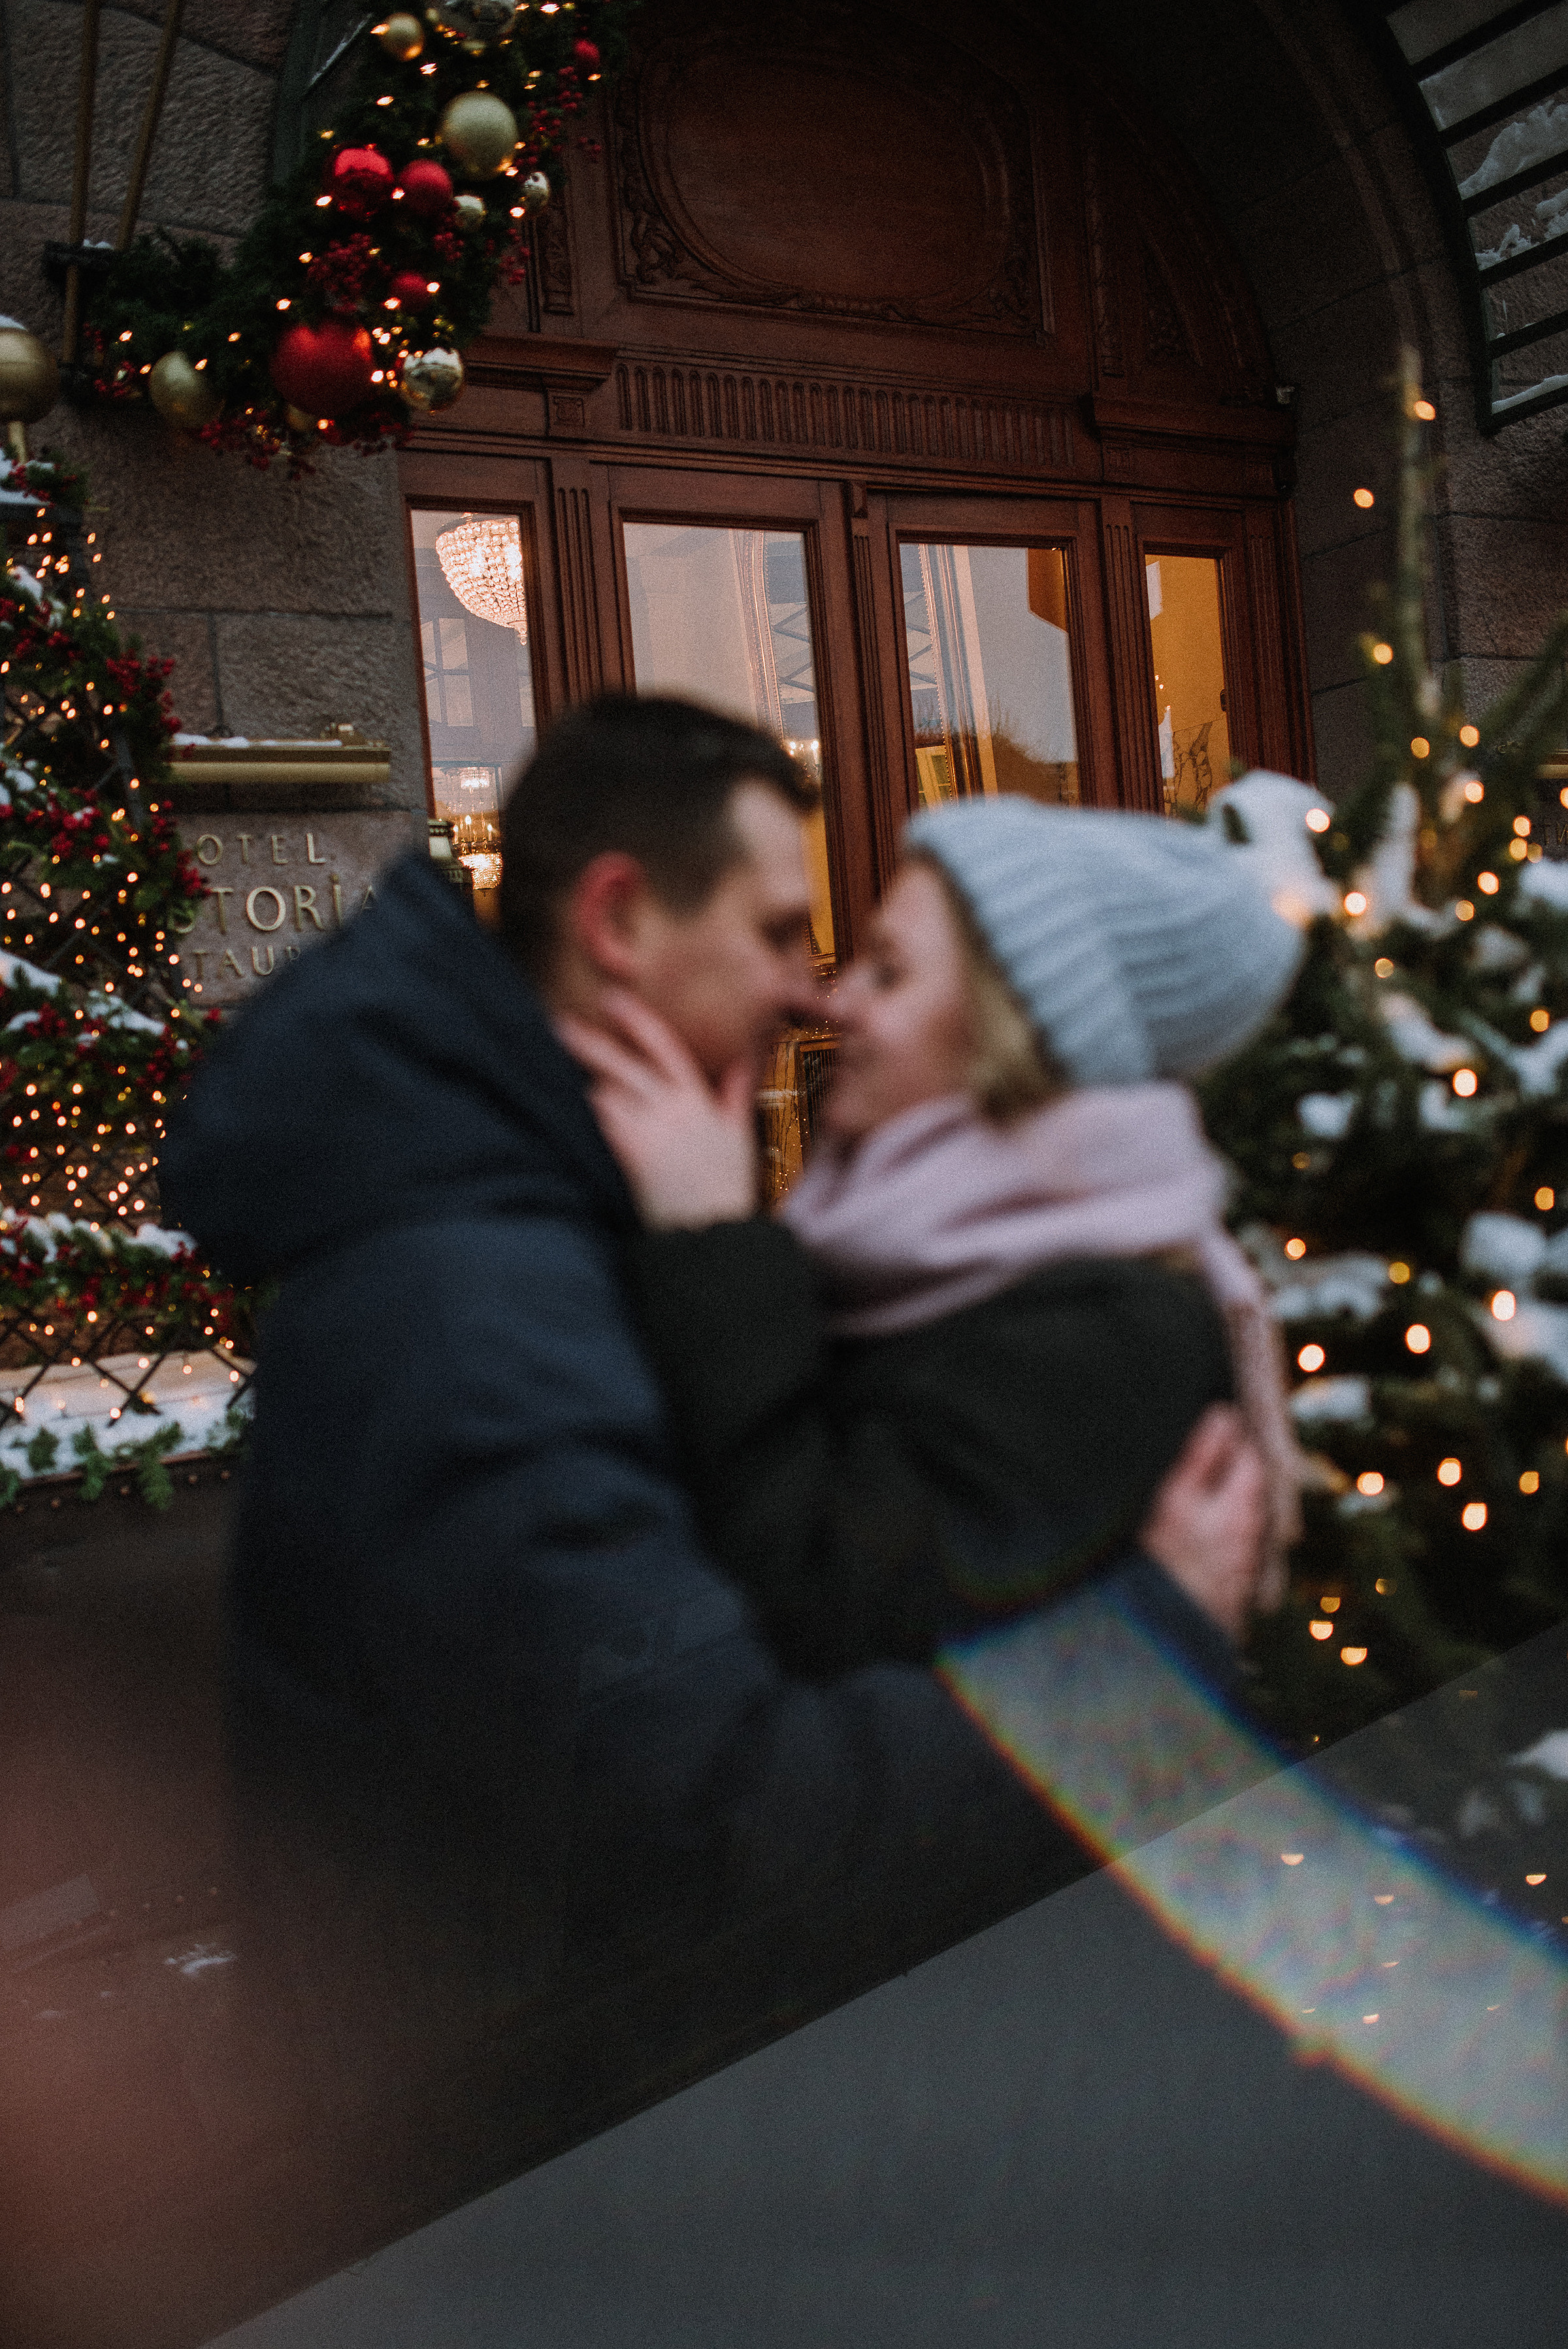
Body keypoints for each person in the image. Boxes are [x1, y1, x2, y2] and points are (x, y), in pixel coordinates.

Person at [159, 695, 1269, 1982]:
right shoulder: (479, 1304)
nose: (815, 990)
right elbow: (721, 1820)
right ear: (621, 921)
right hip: (516, 2143)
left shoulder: (527, 1228)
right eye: (779, 931)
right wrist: (1150, 1662)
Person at [561, 793, 1307, 1685]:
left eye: (889, 971)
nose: (837, 1003)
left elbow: (828, 1623)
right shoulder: (897, 1253)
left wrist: (711, 1244)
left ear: (1006, 1031)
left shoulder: (1113, 1329)